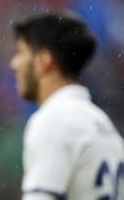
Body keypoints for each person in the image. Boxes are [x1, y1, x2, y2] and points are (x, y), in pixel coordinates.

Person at [9, 11, 124, 199]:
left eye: (21, 52)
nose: (14, 64)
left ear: (44, 61)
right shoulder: (104, 125)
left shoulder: (53, 121)